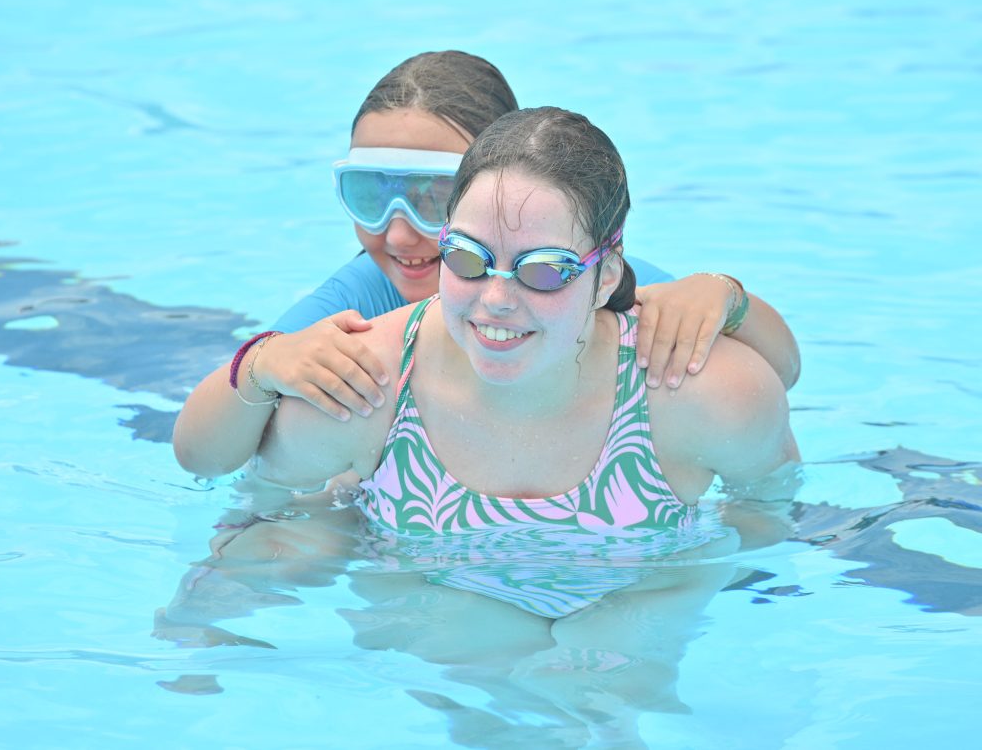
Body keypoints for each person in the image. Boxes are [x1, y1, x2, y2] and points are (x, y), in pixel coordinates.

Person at [173, 51, 799, 479]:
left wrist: (724, 296)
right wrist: (261, 363)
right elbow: (204, 458)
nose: (399, 231)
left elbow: (779, 379)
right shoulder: (356, 304)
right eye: (372, 193)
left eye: (436, 197)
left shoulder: (581, 284)